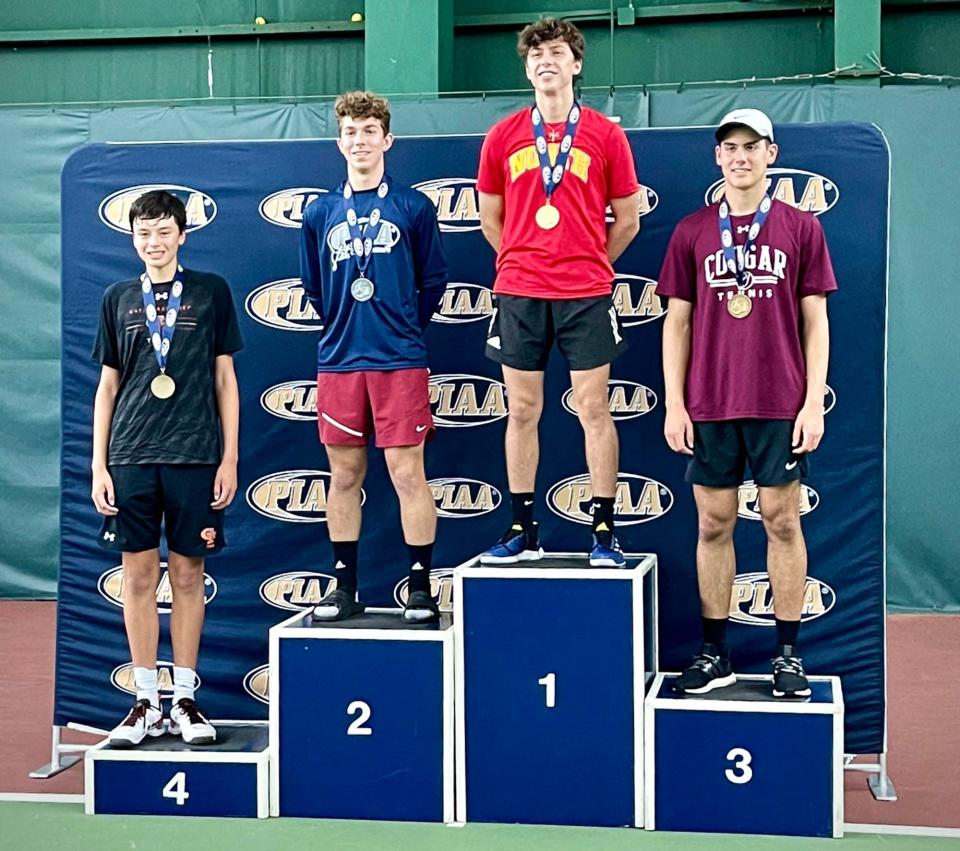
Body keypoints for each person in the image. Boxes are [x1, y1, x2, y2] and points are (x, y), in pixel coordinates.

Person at [657, 108, 837, 698]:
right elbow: (675, 324)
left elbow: (817, 321)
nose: (739, 156)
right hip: (709, 402)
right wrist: (675, 405)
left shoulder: (800, 227)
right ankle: (716, 652)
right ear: (717, 157)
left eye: (751, 147)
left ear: (771, 153)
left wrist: (812, 403)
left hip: (778, 401)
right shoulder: (691, 232)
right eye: (729, 147)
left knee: (782, 521)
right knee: (714, 522)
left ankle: (788, 654)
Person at [477, 17, 640, 567]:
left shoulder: (604, 133)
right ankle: (522, 527)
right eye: (536, 54)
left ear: (575, 64)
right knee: (521, 411)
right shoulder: (502, 136)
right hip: (520, 292)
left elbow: (629, 219)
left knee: (594, 408)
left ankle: (603, 531)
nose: (545, 60)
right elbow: (489, 218)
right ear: (526, 69)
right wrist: (522, 263)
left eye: (557, 52)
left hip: (585, 292)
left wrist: (588, 261)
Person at [91, 189, 242, 746]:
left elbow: (226, 381)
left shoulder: (210, 292)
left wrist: (228, 457)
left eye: (162, 232)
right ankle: (143, 701)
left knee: (186, 577)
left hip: (196, 455)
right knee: (136, 579)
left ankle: (184, 699)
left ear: (182, 234)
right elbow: (107, 388)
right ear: (133, 239)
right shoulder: (117, 298)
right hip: (129, 457)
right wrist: (98, 466)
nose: (153, 243)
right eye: (143, 234)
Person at [299, 91, 447, 623]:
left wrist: (403, 326)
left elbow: (433, 280)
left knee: (409, 475)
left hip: (399, 359)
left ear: (387, 140)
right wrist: (348, 323)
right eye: (350, 132)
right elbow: (313, 287)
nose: (359, 141)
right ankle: (344, 586)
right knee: (343, 477)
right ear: (339, 142)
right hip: (340, 360)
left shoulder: (412, 207)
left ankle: (421, 585)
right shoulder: (319, 212)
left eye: (368, 131)